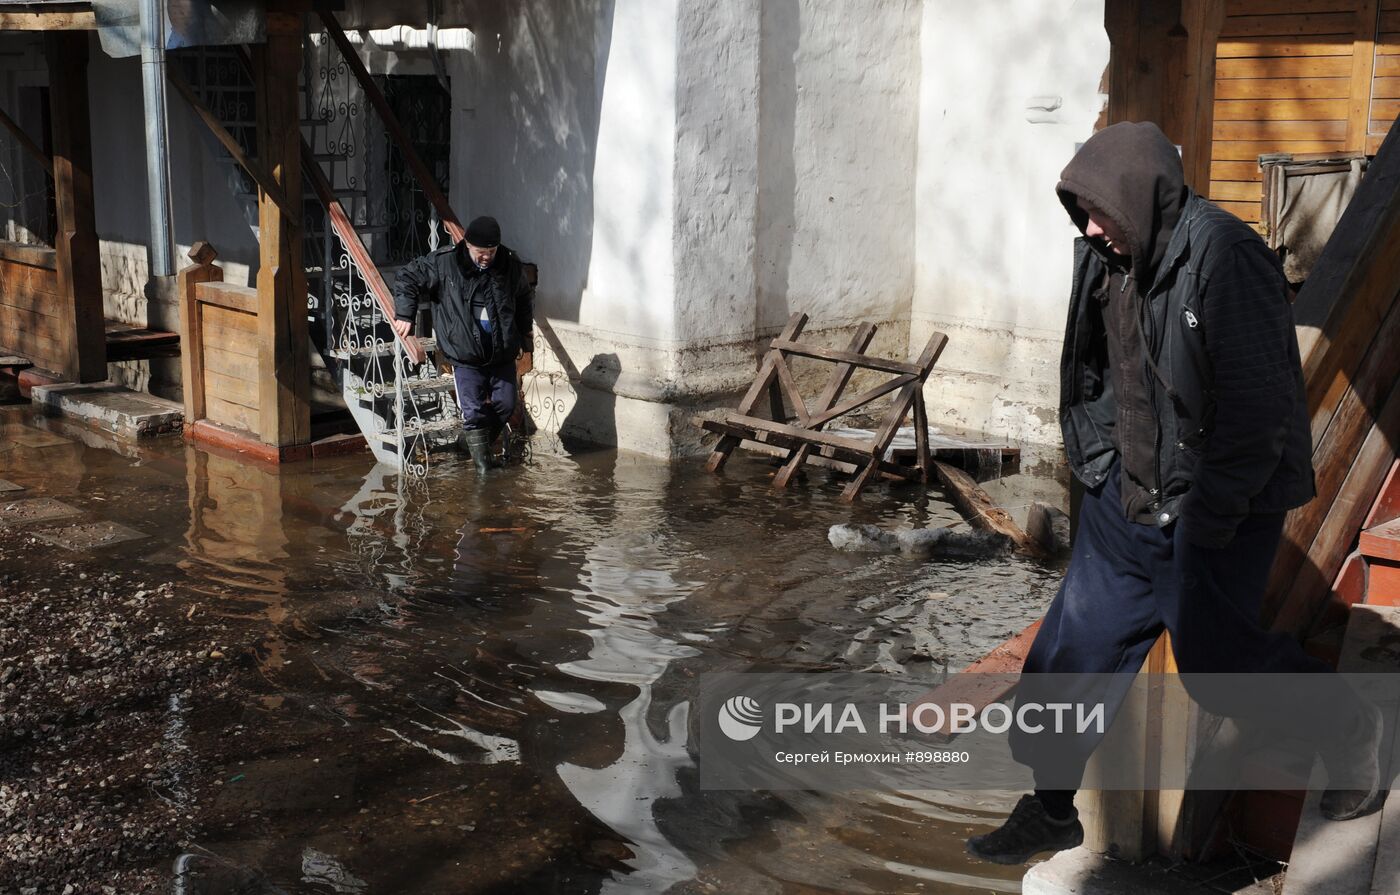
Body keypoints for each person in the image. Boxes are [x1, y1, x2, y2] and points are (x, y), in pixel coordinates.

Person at [964, 121, 1384, 865]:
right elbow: (1091, 374)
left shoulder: (1228, 259)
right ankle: (1051, 809)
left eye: (1100, 210)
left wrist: (1208, 520)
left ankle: (1350, 733)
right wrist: (1096, 466)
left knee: (1222, 674)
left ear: (1143, 198)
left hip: (1212, 514)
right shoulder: (1105, 256)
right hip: (1121, 504)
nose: (1089, 227)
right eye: (1081, 211)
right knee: (1064, 663)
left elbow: (1258, 412)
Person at [391, 216, 534, 474]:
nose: (486, 257)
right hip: (464, 354)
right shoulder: (444, 263)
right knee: (475, 411)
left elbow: (523, 298)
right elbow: (407, 277)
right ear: (467, 244)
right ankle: (483, 471)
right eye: (481, 252)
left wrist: (525, 336)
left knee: (506, 403)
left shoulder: (509, 264)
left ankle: (466, 444)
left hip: (501, 352)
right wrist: (405, 314)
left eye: (491, 251)